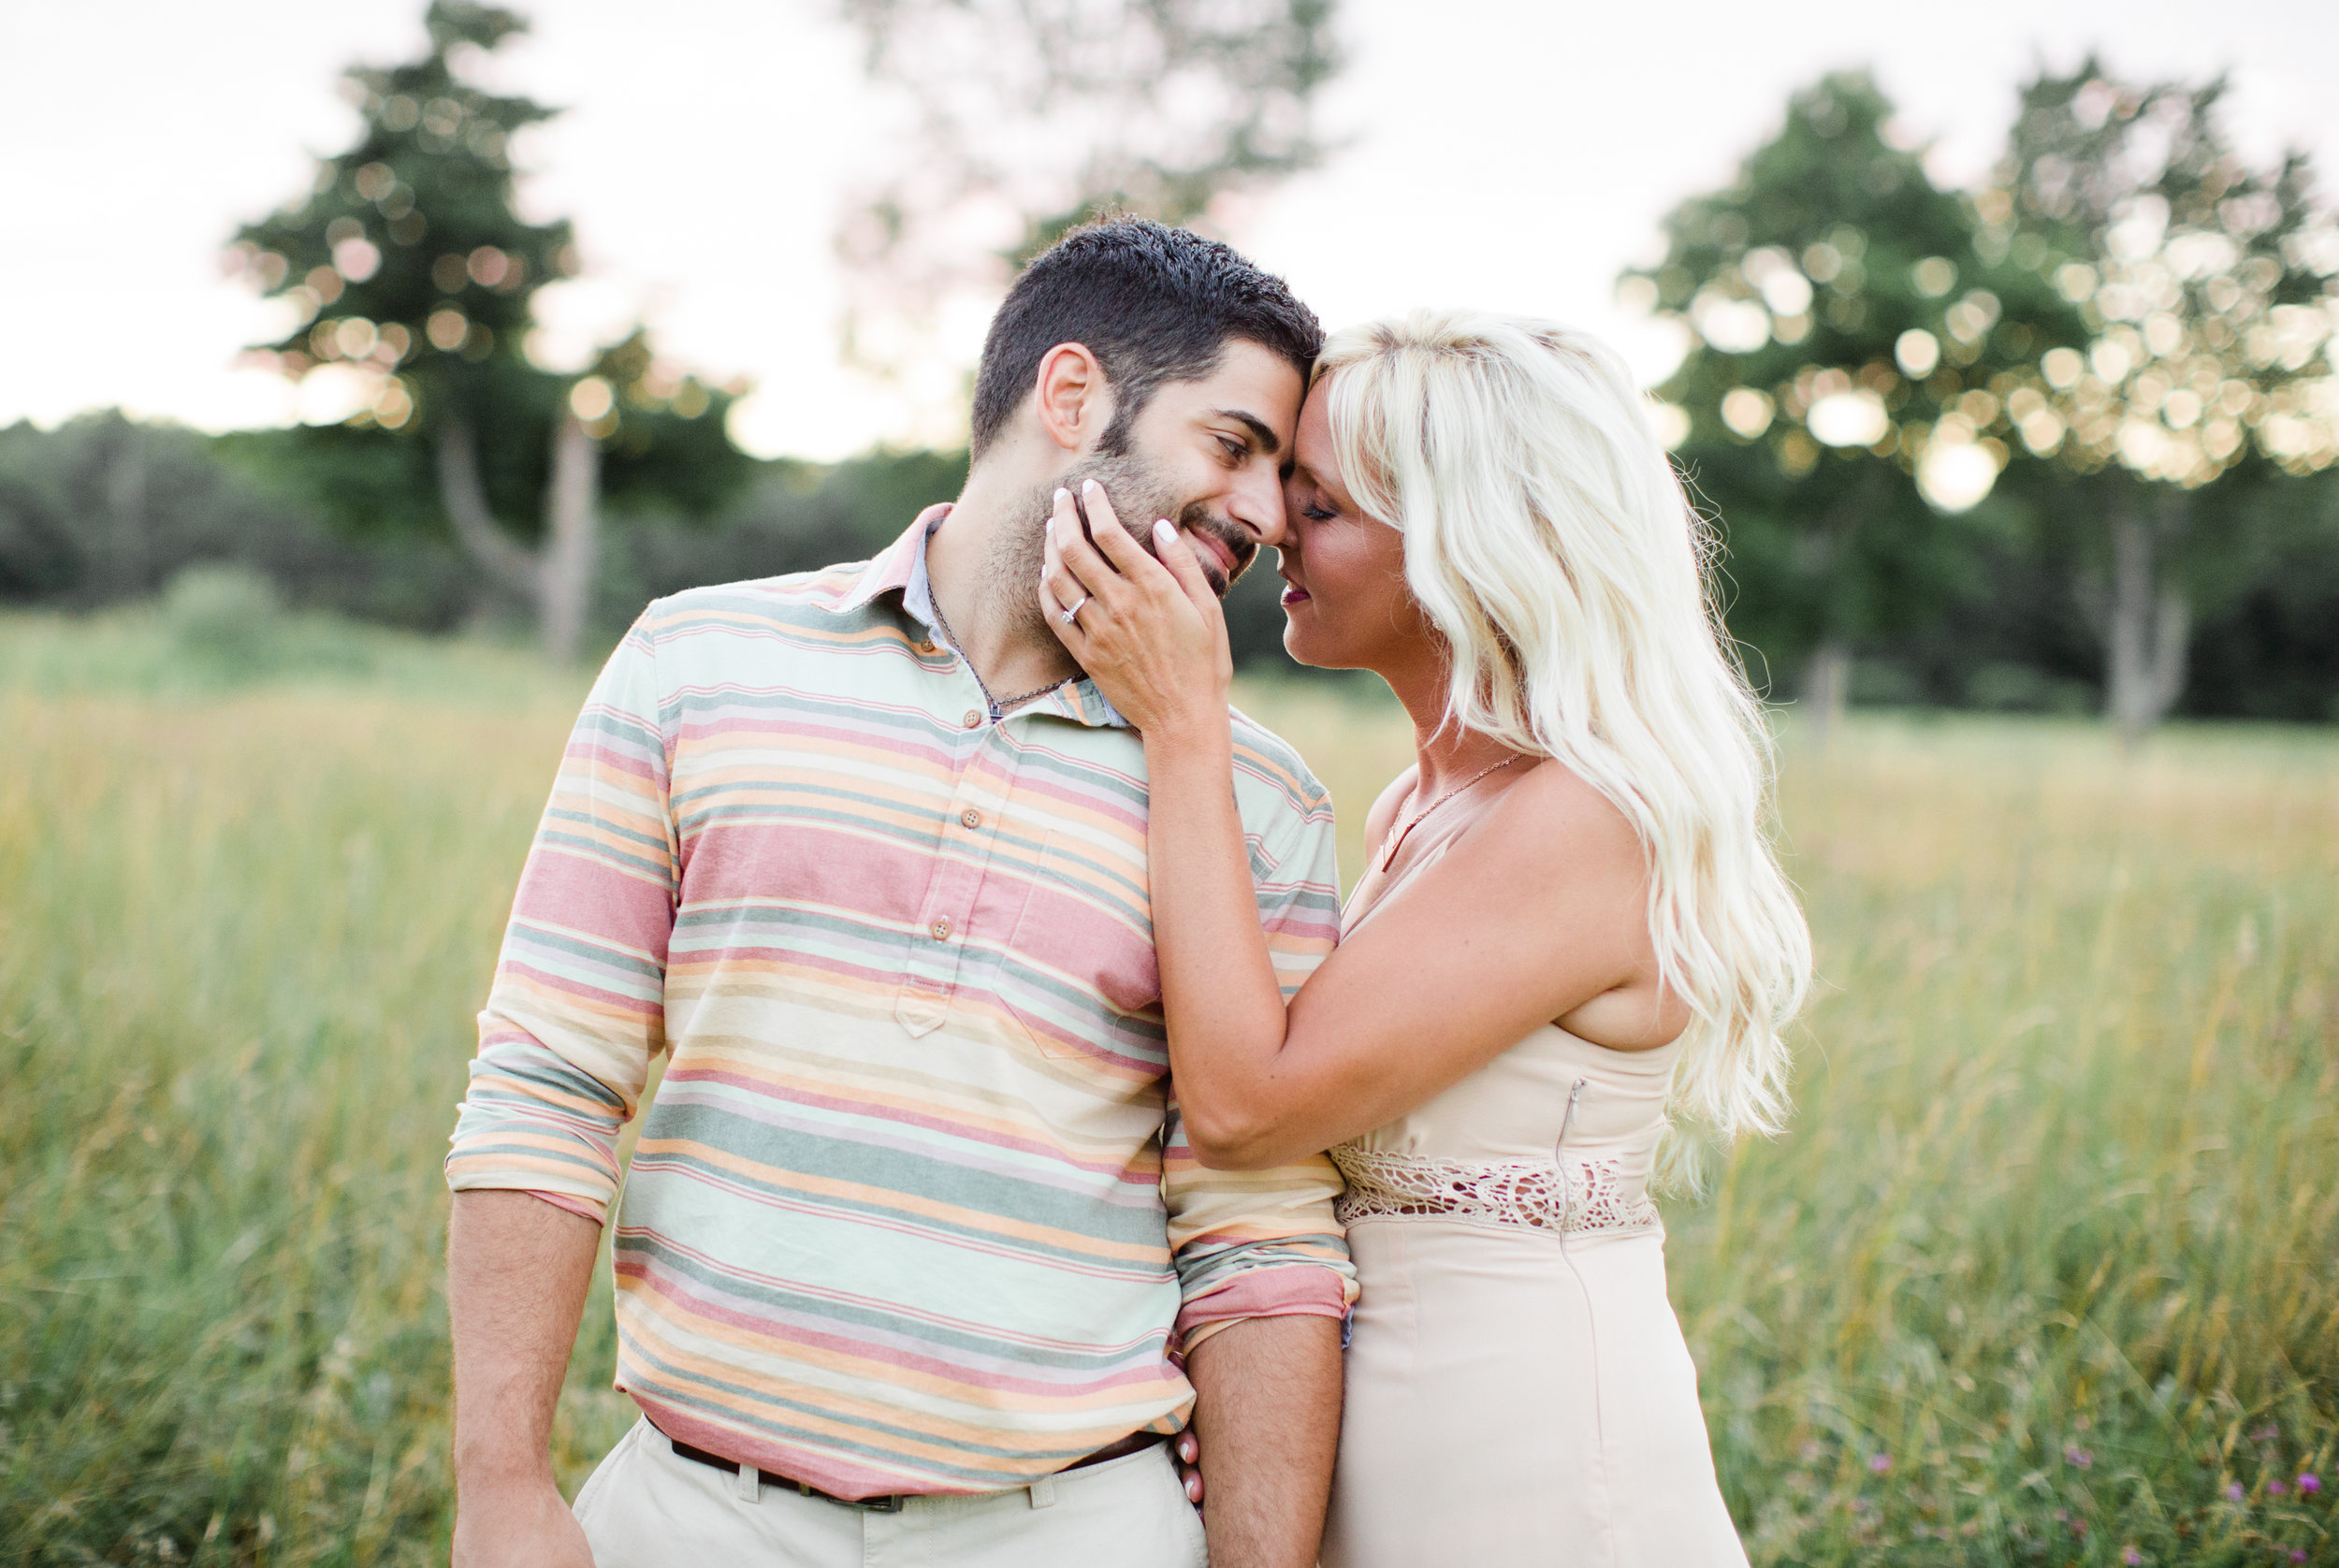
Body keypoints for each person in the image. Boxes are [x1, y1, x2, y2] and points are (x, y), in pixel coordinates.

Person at [442, 217, 1358, 1568]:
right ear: (1071, 396)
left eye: (1284, 477)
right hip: (692, 1516)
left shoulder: (1260, 800)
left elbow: (1258, 1234)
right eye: (1233, 448)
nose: (1267, 515)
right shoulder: (700, 663)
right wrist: (503, 1485)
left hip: (1074, 1528)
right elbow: (549, 1084)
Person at [1039, 309, 1815, 1566]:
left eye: (1324, 507)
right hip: (1400, 1420)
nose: (1276, 526)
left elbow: (1247, 1105)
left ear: (1471, 553)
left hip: (1524, 1447)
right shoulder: (1427, 802)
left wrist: (1185, 725)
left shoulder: (1582, 820)